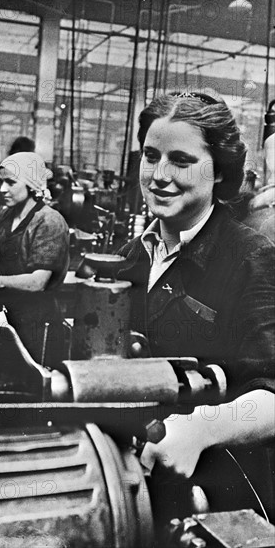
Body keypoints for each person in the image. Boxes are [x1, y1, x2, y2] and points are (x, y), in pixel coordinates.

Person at [116, 93, 275, 525]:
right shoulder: (132, 255)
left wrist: (202, 427)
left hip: (220, 494)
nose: (159, 176)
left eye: (181, 160)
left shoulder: (251, 259)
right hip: (131, 484)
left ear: (219, 170)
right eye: (151, 156)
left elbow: (272, 392)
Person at [0, 152, 70, 366]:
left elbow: (38, 281)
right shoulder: (5, 216)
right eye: (1, 182)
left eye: (11, 182)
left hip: (36, 323)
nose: (2, 189)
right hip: (7, 316)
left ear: (32, 184)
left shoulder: (49, 221)